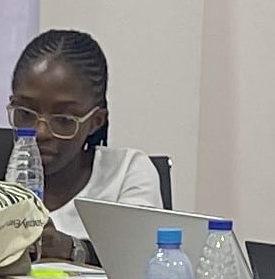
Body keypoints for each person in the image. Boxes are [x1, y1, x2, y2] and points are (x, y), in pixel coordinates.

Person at [9, 27, 162, 252]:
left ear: (95, 121)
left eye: (63, 119)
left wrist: (70, 249)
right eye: (25, 113)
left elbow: (140, 254)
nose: (40, 132)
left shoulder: (125, 172)